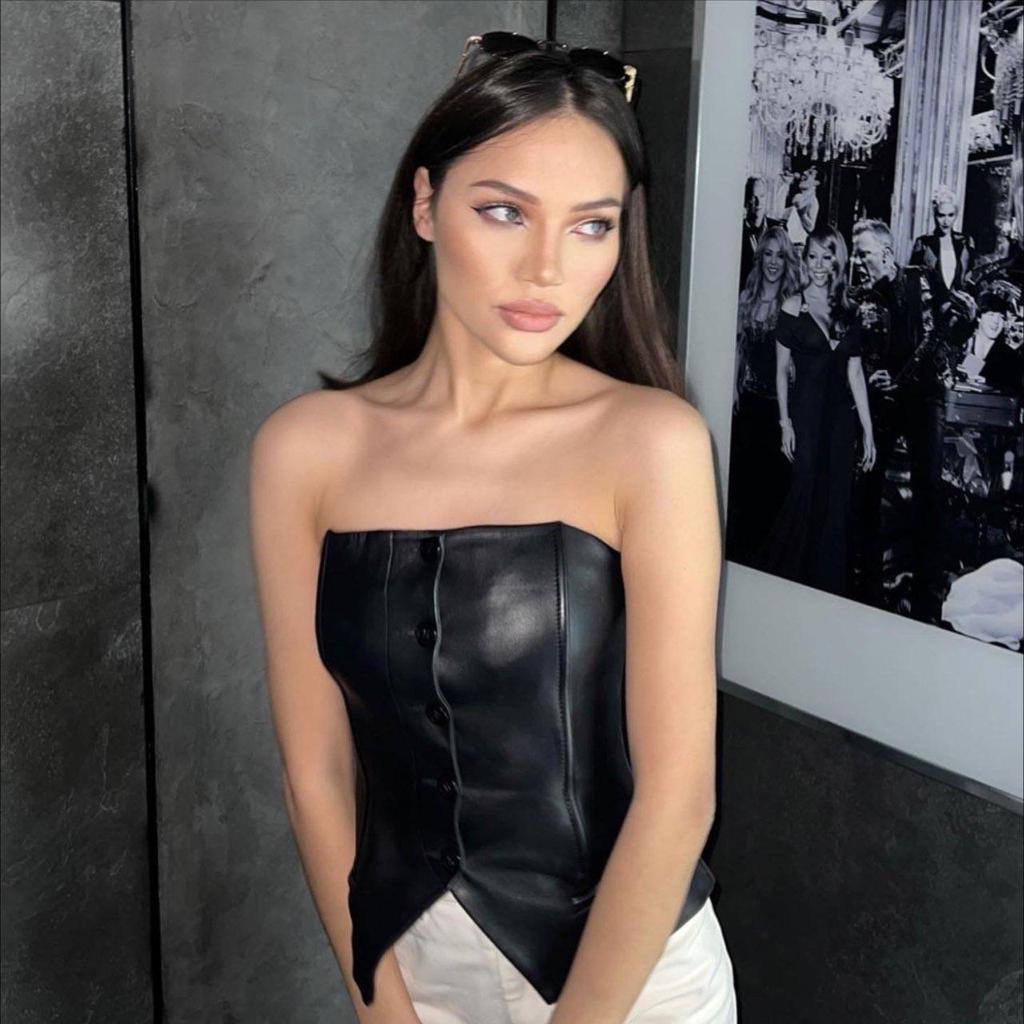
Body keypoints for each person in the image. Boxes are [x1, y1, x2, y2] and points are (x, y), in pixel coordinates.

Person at [248, 31, 737, 1024]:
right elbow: (315, 771)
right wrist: (379, 1005)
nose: (547, 267)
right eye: (505, 211)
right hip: (410, 963)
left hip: (636, 981)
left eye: (591, 225)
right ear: (426, 205)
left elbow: (679, 794)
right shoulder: (305, 449)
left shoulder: (651, 443)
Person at [754, 225, 876, 597]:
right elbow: (780, 371)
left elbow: (856, 374)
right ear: (804, 260)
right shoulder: (793, 306)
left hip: (841, 423)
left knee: (835, 506)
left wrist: (868, 432)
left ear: (837, 261)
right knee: (802, 498)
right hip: (806, 419)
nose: (819, 265)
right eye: (812, 257)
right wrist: (785, 424)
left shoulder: (849, 309)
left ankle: (827, 593)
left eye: (826, 257)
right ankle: (781, 588)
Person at [848, 218, 957, 621]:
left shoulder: (923, 277)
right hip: (887, 400)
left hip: (926, 397)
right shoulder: (863, 297)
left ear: (887, 252)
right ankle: (867, 583)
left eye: (864, 254)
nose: (859, 261)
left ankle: (929, 592)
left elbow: (945, 329)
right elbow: (859, 353)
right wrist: (873, 374)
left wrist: (963, 319)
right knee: (867, 482)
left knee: (929, 488)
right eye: (857, 255)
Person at [727, 225, 803, 565]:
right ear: (760, 258)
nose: (773, 262)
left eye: (780, 256)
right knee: (744, 486)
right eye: (768, 254)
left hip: (779, 409)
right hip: (749, 404)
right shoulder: (747, 297)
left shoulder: (793, 302)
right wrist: (733, 387)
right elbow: (739, 348)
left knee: (772, 491)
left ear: (787, 261)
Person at [955, 286, 1022, 395]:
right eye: (991, 315)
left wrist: (986, 381)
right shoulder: (961, 345)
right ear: (979, 317)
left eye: (1001, 317)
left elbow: (1014, 391)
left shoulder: (1010, 357)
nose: (996, 321)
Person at [739, 175, 784, 287]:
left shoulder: (779, 228)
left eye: (762, 196)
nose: (759, 203)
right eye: (754, 197)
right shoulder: (737, 231)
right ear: (746, 200)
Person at [781, 166, 820, 255]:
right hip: (788, 246)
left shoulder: (812, 201)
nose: (804, 172)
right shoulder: (801, 198)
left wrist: (801, 212)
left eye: (810, 173)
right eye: (806, 170)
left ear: (816, 182)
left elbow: (811, 228)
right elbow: (780, 215)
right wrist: (786, 184)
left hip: (797, 249)